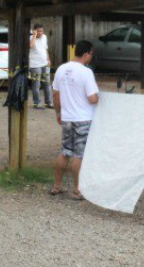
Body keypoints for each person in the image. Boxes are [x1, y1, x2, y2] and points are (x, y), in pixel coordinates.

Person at [50, 40, 99, 201]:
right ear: (86, 54)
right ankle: (77, 190)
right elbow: (92, 98)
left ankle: (56, 185)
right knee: (79, 154)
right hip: (83, 118)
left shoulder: (61, 70)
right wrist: (99, 98)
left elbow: (55, 95)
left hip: (67, 117)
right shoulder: (86, 73)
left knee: (64, 151)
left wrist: (59, 113)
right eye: (91, 54)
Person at [29, 23, 52, 109]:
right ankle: (36, 103)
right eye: (38, 31)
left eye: (41, 31)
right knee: (36, 84)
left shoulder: (45, 37)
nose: (40, 33)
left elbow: (45, 49)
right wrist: (34, 36)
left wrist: (48, 59)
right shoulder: (31, 38)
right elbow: (30, 46)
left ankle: (48, 102)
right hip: (35, 65)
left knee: (47, 83)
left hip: (45, 64)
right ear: (34, 31)